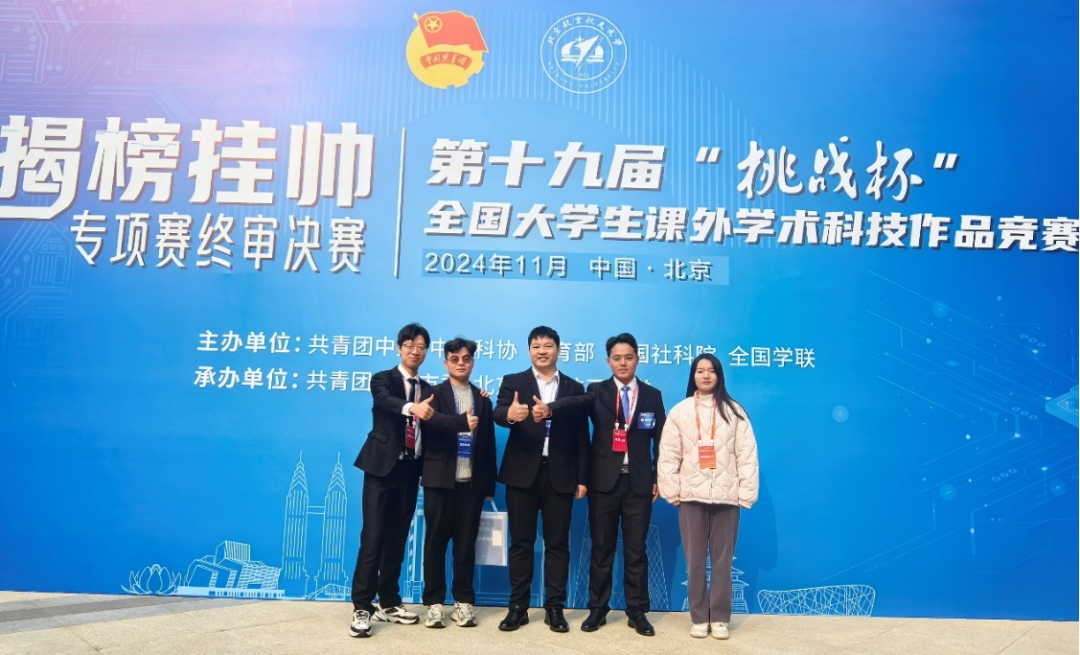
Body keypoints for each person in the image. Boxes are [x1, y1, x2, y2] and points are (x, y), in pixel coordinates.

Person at [545, 333, 666, 636]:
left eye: (628, 357)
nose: (623, 363)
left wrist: (659, 477)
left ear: (637, 359)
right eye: (617, 357)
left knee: (637, 551)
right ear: (608, 361)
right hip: (603, 484)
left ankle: (637, 611)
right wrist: (550, 408)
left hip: (639, 484)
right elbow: (576, 403)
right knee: (602, 550)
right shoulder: (597, 391)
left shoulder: (652, 396)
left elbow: (662, 441)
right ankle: (598, 609)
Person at [493, 326, 589, 633]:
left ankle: (554, 607)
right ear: (529, 350)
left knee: (557, 543)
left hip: (560, 474)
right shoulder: (514, 382)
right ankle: (518, 607)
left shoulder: (574, 387)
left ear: (558, 350)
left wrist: (582, 477)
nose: (542, 351)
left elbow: (581, 436)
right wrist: (511, 414)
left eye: (548, 345)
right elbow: (498, 413)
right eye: (536, 346)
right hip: (521, 474)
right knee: (521, 543)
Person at [657, 353, 759, 640]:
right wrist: (670, 490)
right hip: (691, 497)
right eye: (700, 371)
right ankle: (700, 617)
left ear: (719, 375)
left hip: (727, 498)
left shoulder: (735, 411)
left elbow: (747, 454)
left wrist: (746, 493)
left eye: (711, 370)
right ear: (693, 376)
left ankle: (721, 618)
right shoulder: (680, 412)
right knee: (695, 561)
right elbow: (669, 454)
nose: (705, 375)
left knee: (723, 561)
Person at [349, 323, 435, 638]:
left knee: (398, 537)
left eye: (421, 347)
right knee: (373, 537)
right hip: (381, 469)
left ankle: (388, 601)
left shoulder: (430, 389)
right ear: (399, 348)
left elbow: (447, 415)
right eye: (410, 345)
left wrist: (478, 396)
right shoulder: (382, 379)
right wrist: (412, 408)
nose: (415, 351)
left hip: (411, 470)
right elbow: (385, 401)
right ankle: (362, 606)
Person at [419, 338, 497, 629]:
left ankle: (463, 602)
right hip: (440, 481)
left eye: (466, 358)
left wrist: (488, 486)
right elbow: (431, 426)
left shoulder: (482, 399)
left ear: (472, 363)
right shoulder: (432, 394)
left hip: (471, 484)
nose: (460, 363)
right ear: (445, 363)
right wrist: (459, 422)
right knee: (435, 544)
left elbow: (488, 444)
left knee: (465, 546)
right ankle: (434, 604)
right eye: (454, 359)